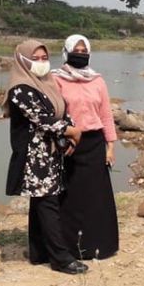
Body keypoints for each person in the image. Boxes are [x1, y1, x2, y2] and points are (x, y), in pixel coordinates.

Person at [3, 40, 88, 274]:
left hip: (50, 153)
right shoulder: (20, 88)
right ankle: (61, 259)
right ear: (23, 61)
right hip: (34, 156)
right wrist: (73, 132)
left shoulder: (46, 84)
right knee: (47, 202)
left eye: (44, 58)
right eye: (35, 59)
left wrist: (70, 135)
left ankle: (39, 252)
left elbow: (62, 110)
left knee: (41, 201)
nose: (41, 63)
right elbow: (41, 118)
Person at [53, 35, 119, 260]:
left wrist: (110, 146)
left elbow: (106, 115)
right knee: (71, 197)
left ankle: (99, 245)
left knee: (96, 197)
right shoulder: (56, 79)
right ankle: (70, 247)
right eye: (76, 50)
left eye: (84, 50)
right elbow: (54, 113)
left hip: (94, 144)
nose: (80, 53)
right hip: (70, 145)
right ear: (66, 51)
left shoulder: (97, 80)